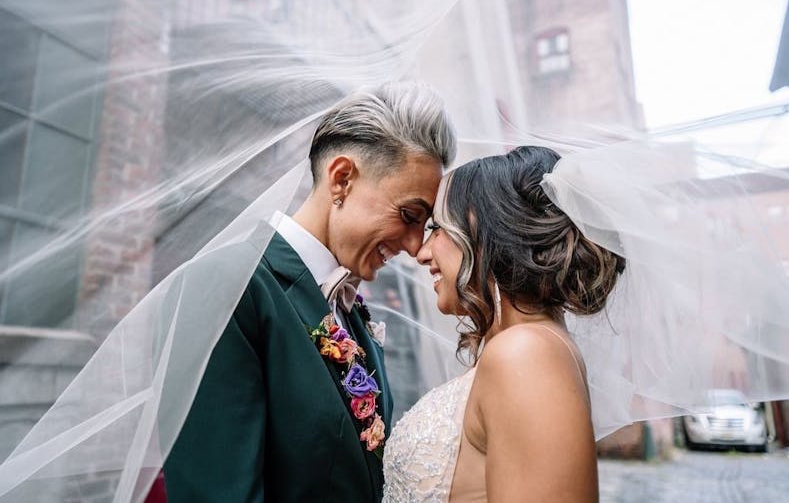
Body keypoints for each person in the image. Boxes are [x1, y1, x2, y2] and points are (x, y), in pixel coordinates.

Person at [163, 81, 457, 502]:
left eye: (423, 225)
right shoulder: (228, 286)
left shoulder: (350, 310)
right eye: (409, 215)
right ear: (342, 179)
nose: (414, 246)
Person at [383, 145, 624, 502]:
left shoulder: (525, 353)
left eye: (437, 228)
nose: (422, 253)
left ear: (483, 230)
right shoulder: (524, 346)